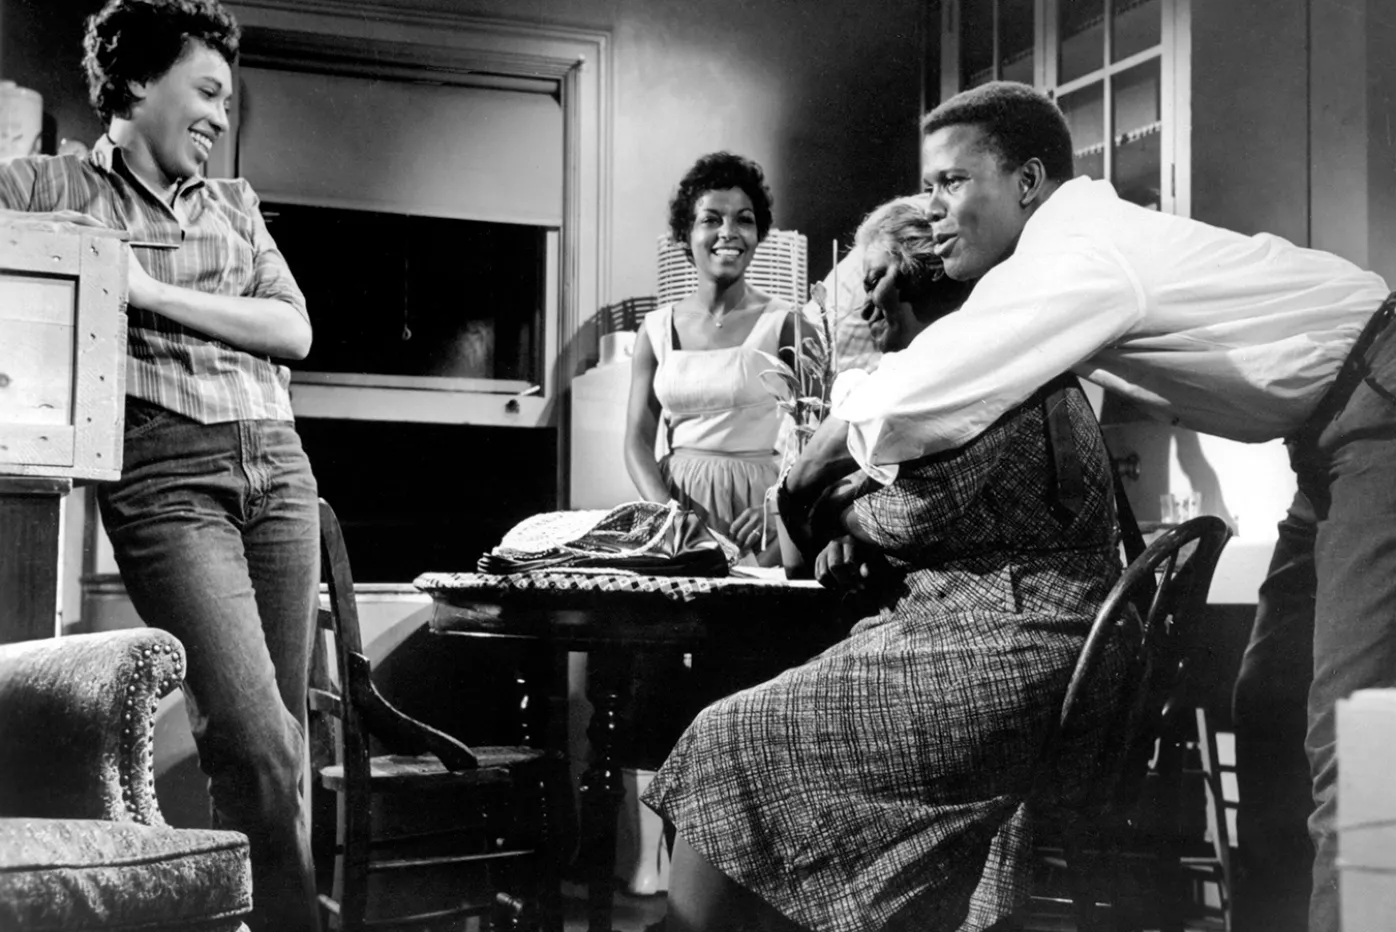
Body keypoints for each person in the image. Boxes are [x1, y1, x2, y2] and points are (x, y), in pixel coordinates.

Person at [788, 81, 1393, 932]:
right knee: (1271, 705)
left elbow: (931, 381)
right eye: (927, 188)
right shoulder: (1063, 249)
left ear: (1028, 182)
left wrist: (810, 468)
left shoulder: (1077, 248)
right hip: (1334, 433)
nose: (934, 209)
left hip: (1382, 402)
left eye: (953, 183)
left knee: (1356, 734)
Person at [641, 195, 1126, 931]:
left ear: (913, 279)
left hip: (1002, 657)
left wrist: (827, 504)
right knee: (761, 728)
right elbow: (918, 512)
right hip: (1033, 646)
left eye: (874, 280)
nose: (864, 304)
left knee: (728, 735)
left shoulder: (966, 374)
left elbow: (908, 511)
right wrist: (850, 516)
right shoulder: (1007, 359)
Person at [0, 2, 322, 930]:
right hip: (166, 477)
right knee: (258, 746)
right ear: (138, 83)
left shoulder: (236, 205)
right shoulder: (51, 185)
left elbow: (292, 330)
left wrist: (143, 289)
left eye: (229, 100)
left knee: (280, 745)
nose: (222, 116)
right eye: (208, 91)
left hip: (279, 471)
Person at [624, 151, 817, 564]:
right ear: (685, 233)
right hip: (675, 506)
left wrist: (779, 506)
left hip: (759, 515)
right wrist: (668, 516)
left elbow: (821, 437)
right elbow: (637, 440)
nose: (728, 232)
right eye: (711, 219)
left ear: (758, 233)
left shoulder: (790, 323)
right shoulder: (655, 329)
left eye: (744, 219)